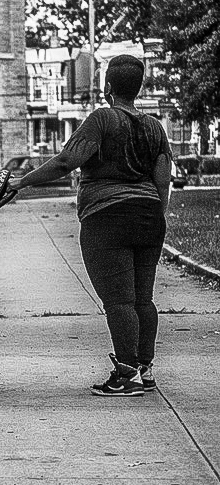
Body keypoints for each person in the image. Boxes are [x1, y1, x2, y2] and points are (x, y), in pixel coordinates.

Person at [9, 54, 171, 397]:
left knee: (119, 301)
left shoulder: (102, 119)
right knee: (144, 298)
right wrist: (159, 216)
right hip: (148, 217)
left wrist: (21, 183)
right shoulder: (156, 127)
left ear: (107, 86)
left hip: (107, 218)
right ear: (138, 87)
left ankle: (126, 375)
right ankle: (145, 369)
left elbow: (67, 160)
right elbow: (162, 179)